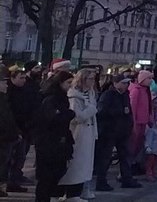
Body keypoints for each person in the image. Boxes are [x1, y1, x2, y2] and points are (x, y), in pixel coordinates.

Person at [33, 71, 76, 202]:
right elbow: (52, 118)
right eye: (68, 83)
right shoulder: (51, 99)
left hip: (60, 141)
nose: (70, 86)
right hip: (48, 142)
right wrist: (69, 114)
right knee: (46, 177)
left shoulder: (62, 98)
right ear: (60, 83)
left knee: (57, 172)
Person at [94, 74, 141, 192]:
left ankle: (126, 178)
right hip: (109, 131)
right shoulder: (108, 95)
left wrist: (129, 124)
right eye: (123, 83)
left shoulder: (125, 95)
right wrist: (120, 111)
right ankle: (101, 181)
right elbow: (101, 111)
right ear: (115, 83)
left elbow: (128, 111)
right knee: (105, 157)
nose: (126, 85)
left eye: (127, 83)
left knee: (125, 155)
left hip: (123, 131)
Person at [58, 69, 99, 199]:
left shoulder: (91, 93)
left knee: (85, 164)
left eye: (93, 79)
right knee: (76, 164)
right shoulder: (74, 96)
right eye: (90, 79)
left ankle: (82, 189)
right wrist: (91, 110)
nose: (92, 82)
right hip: (78, 133)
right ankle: (70, 193)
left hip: (88, 132)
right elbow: (76, 117)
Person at [7, 66, 39, 192]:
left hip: (25, 129)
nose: (24, 80)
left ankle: (14, 181)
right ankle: (10, 181)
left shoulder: (25, 91)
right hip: (14, 130)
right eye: (21, 78)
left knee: (20, 158)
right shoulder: (10, 93)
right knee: (12, 158)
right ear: (13, 78)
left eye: (24, 78)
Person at [0, 67, 22, 198]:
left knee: (5, 162)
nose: (6, 85)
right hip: (4, 137)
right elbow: (5, 119)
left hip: (7, 137)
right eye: (4, 82)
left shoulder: (3, 98)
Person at [128, 70, 154, 175]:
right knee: (133, 145)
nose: (151, 81)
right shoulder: (136, 91)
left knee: (139, 144)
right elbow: (133, 108)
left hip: (143, 121)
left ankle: (134, 164)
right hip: (137, 122)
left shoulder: (145, 90)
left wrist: (149, 117)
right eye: (149, 78)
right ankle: (128, 166)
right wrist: (133, 122)